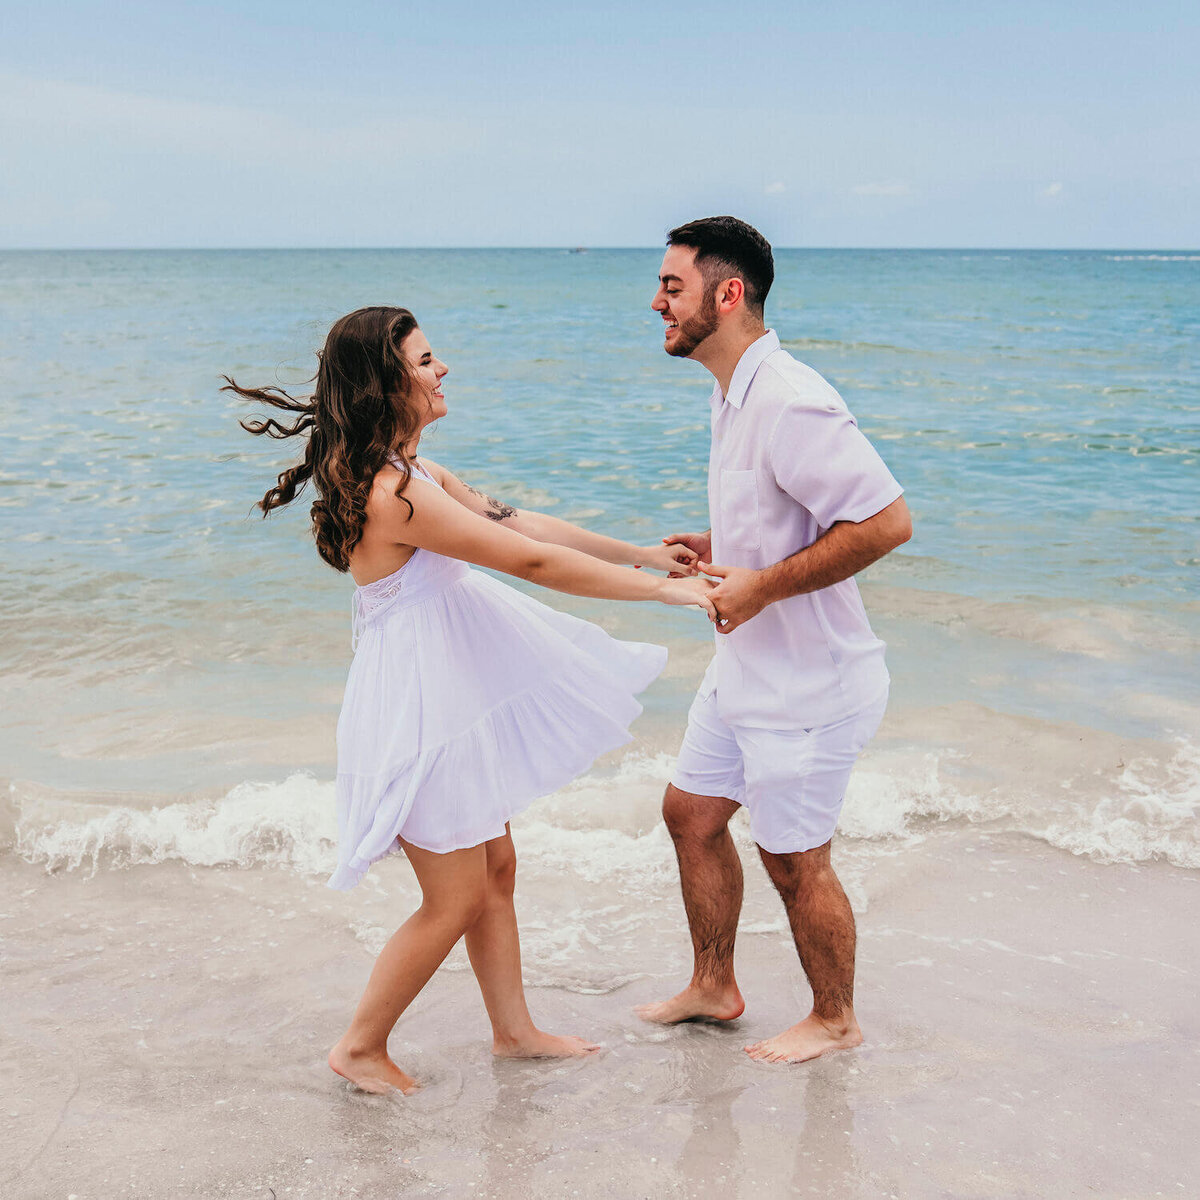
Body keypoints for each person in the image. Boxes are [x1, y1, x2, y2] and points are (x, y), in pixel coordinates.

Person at [225, 306, 714, 1094]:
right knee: (451, 897)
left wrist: (639, 551)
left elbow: (517, 520)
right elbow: (530, 562)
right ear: (387, 382)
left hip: (449, 692)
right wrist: (661, 592)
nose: (441, 368)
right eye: (424, 360)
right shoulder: (394, 493)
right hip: (419, 708)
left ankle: (514, 1031)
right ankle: (359, 1046)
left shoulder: (415, 473)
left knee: (495, 864)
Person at [635, 218, 912, 1064]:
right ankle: (716, 986)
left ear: (728, 294)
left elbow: (886, 522)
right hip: (744, 670)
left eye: (672, 287)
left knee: (795, 863)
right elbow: (787, 520)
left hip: (811, 684)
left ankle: (835, 1018)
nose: (656, 303)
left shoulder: (791, 398)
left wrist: (760, 586)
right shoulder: (733, 393)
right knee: (690, 814)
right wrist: (729, 556)